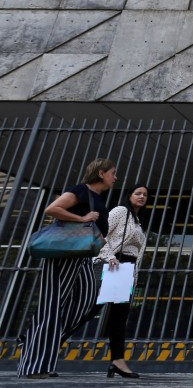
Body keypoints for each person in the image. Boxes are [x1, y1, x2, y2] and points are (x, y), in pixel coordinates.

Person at [17, 159, 116, 379]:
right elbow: (52, 209)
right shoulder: (81, 190)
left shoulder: (97, 197)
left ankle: (31, 338)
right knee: (52, 307)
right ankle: (35, 367)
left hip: (82, 257)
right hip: (64, 254)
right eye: (112, 173)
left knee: (89, 299)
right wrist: (82, 218)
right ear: (101, 173)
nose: (115, 177)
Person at [95, 184, 149, 378]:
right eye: (138, 193)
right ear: (129, 195)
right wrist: (108, 256)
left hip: (126, 270)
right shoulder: (120, 211)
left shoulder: (137, 220)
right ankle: (46, 344)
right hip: (113, 265)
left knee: (119, 315)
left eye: (145, 195)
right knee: (89, 310)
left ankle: (117, 361)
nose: (142, 197)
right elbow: (101, 233)